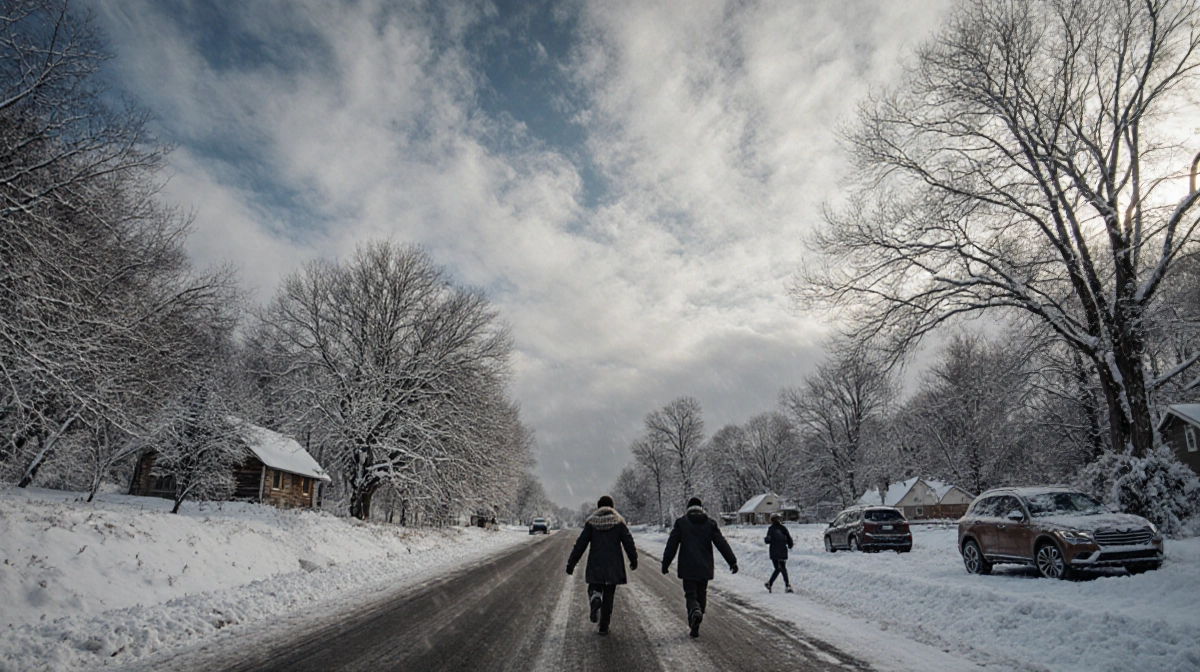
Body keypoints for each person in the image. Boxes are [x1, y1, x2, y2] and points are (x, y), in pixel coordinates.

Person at [661, 496, 738, 638]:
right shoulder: (710, 523)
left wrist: (666, 563)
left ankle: (694, 612)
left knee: (690, 595)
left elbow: (672, 545)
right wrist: (732, 561)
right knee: (701, 593)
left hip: (687, 566)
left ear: (688, 508)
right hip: (705, 566)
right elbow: (721, 543)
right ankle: (697, 616)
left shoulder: (681, 523)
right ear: (701, 508)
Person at [566, 495, 638, 635]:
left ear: (598, 507)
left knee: (594, 585)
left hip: (596, 563)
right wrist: (633, 559)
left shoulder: (591, 523)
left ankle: (595, 596)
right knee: (609, 594)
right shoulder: (618, 522)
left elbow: (580, 544)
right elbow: (628, 541)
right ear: (612, 507)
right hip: (613, 565)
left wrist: (572, 562)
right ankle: (604, 626)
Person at [764, 513, 794, 593]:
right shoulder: (783, 528)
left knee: (777, 568)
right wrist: (790, 544)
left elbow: (767, 540)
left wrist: (767, 539)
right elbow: (789, 539)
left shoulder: (771, 529)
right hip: (782, 550)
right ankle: (787, 585)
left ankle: (770, 583)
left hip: (773, 551)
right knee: (782, 568)